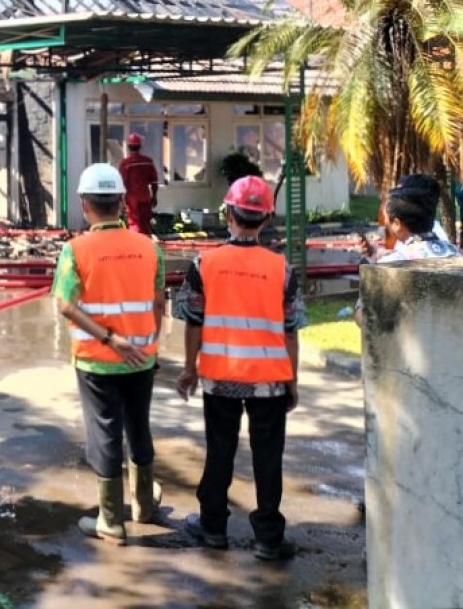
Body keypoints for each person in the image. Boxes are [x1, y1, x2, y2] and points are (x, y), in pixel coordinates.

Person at [173, 175, 305, 562]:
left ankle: (213, 527)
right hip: (268, 384)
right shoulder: (282, 270)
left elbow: (192, 321)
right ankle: (268, 538)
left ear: (228, 213)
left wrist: (189, 369)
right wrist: (292, 383)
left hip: (220, 379)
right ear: (266, 220)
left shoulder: (204, 264)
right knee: (268, 456)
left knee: (220, 451)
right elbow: (291, 332)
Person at [53, 163, 166, 545]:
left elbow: (65, 306)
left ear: (85, 205)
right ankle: (146, 506)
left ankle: (111, 522)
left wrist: (109, 338)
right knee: (138, 426)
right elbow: (157, 301)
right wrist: (148, 344)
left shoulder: (74, 251)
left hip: (97, 360)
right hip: (142, 357)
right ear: (121, 202)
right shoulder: (150, 248)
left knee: (105, 432)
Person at [355, 174, 460, 325]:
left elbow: (364, 317)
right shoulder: (455, 254)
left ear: (397, 223)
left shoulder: (389, 265)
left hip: (410, 344)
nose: (386, 224)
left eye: (388, 220)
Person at [118, 132, 159, 236]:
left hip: (132, 199)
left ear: (128, 146)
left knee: (134, 223)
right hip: (145, 197)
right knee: (145, 224)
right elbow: (154, 181)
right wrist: (154, 196)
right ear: (140, 146)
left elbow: (122, 183)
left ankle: (136, 246)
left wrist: (121, 199)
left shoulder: (125, 163)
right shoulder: (148, 161)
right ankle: (147, 247)